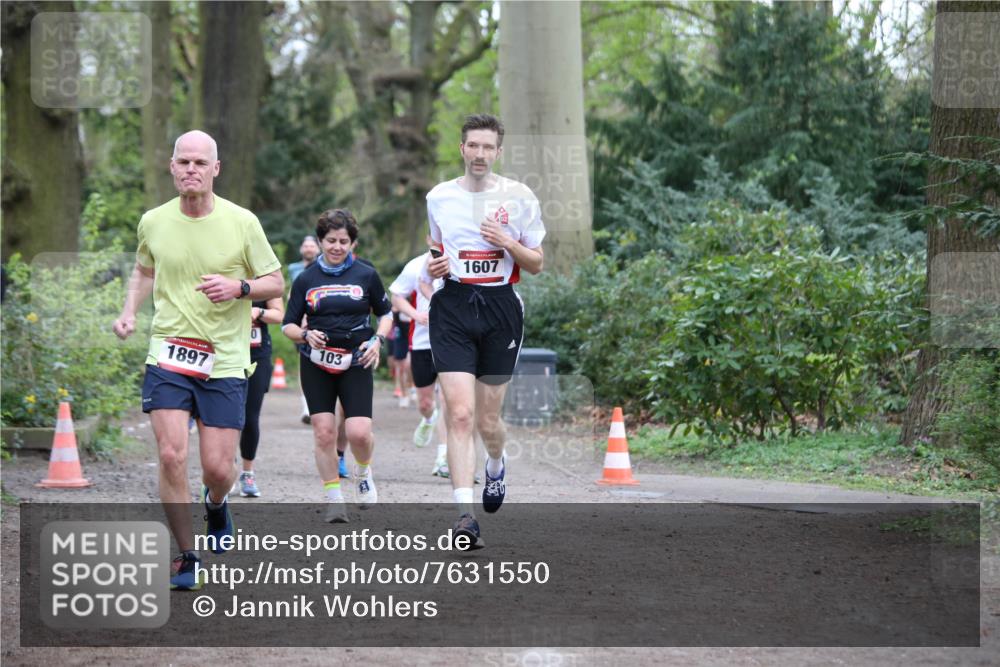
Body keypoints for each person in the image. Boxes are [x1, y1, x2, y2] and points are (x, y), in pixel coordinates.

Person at [112, 130, 284, 589]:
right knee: (171, 454)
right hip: (168, 351)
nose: (191, 169)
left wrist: (239, 288)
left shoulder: (242, 222)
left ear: (215, 169)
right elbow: (145, 269)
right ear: (171, 167)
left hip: (225, 359)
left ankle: (216, 503)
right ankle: (187, 556)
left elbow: (275, 281)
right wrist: (129, 310)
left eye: (199, 163)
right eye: (183, 161)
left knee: (218, 469)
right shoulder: (153, 221)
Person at [425, 113, 546, 549]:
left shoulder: (519, 197)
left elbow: (536, 263)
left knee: (488, 418)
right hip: (454, 305)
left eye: (487, 147)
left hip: (500, 308)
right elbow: (436, 249)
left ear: (498, 152)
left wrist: (507, 243)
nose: (479, 154)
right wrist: (434, 265)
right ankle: (464, 516)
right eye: (472, 146)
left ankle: (496, 463)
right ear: (462, 149)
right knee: (459, 413)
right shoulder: (438, 197)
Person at [282, 208, 392, 523]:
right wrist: (304, 334)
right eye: (331, 240)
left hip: (357, 359)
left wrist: (378, 341)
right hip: (316, 362)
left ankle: (364, 469)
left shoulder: (366, 274)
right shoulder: (306, 279)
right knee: (324, 432)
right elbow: (287, 325)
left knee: (358, 432)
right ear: (320, 241)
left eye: (344, 241)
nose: (337, 247)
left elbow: (385, 313)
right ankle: (334, 498)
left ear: (352, 244)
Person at [390, 248, 448, 474]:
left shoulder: (462, 257)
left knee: (449, 400)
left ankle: (443, 458)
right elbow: (396, 295)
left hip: (453, 342)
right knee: (425, 403)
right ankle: (428, 419)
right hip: (422, 341)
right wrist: (415, 315)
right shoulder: (416, 265)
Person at [238, 296, 285, 497]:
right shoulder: (220, 272)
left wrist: (259, 312)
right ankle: (224, 472)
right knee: (224, 418)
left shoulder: (264, 276)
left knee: (250, 418)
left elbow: (279, 314)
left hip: (256, 354)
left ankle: (248, 473)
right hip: (223, 351)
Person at [288, 235, 321, 425]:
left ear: (318, 248)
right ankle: (307, 406)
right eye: (305, 245)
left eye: (312, 245)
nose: (309, 249)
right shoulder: (294, 269)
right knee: (305, 363)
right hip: (302, 323)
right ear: (301, 249)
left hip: (322, 320)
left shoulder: (324, 266)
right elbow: (292, 295)